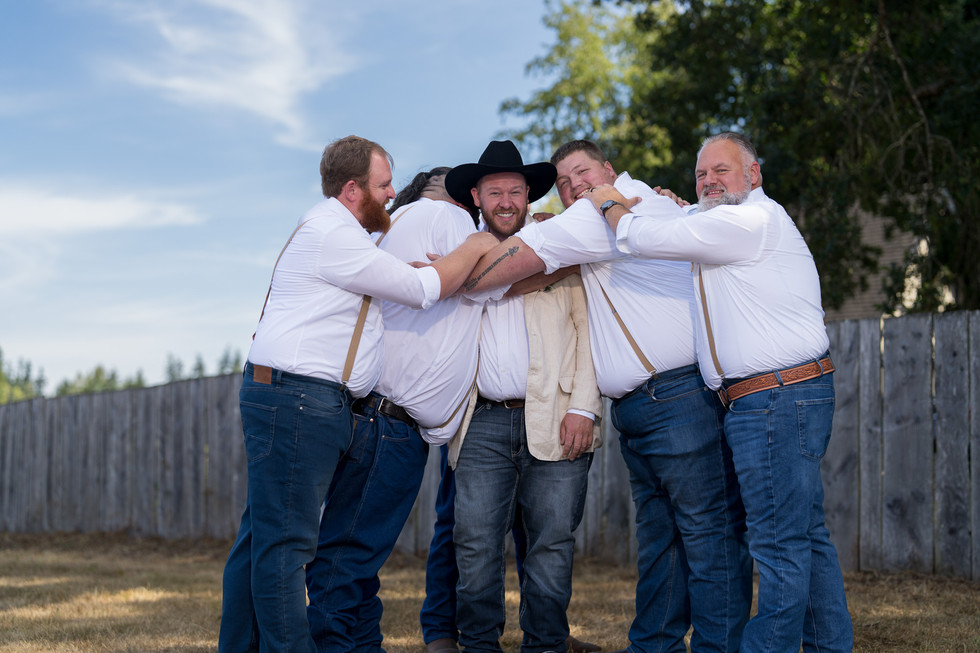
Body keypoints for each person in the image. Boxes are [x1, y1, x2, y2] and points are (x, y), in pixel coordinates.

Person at [460, 140, 752, 653]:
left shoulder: (607, 215)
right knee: (662, 541)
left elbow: (548, 293)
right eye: (565, 181)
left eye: (584, 174)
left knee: (707, 538)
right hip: (631, 408)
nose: (575, 186)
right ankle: (652, 645)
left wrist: (453, 276)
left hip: (670, 397)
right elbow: (536, 277)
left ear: (611, 171)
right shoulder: (587, 224)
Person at [218, 136, 496, 653]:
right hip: (298, 399)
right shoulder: (334, 236)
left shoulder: (339, 237)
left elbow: (394, 283)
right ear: (352, 190)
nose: (395, 194)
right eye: (384, 184)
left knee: (262, 536)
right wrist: (477, 246)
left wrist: (415, 274)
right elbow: (420, 290)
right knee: (286, 547)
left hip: (288, 395)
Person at [589, 132, 853, 653]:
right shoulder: (726, 221)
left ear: (753, 175)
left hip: (775, 399)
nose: (709, 181)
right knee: (803, 537)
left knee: (778, 545)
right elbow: (688, 224)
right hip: (776, 397)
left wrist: (610, 204)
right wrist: (680, 209)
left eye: (722, 171)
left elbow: (642, 238)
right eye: (701, 174)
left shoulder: (750, 219)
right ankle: (827, 646)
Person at [303, 166, 487, 652]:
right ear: (449, 191)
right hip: (390, 423)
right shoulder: (443, 216)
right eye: (470, 188)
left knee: (357, 557)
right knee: (348, 558)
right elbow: (488, 281)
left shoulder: (400, 221)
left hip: (379, 419)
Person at [443, 140, 603, 653]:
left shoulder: (558, 246)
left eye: (516, 191)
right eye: (495, 192)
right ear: (477, 196)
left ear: (528, 196)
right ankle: (478, 645)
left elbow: (590, 332)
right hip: (482, 422)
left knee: (552, 545)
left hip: (556, 414)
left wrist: (584, 406)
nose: (507, 200)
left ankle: (546, 644)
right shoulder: (460, 257)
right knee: (473, 545)